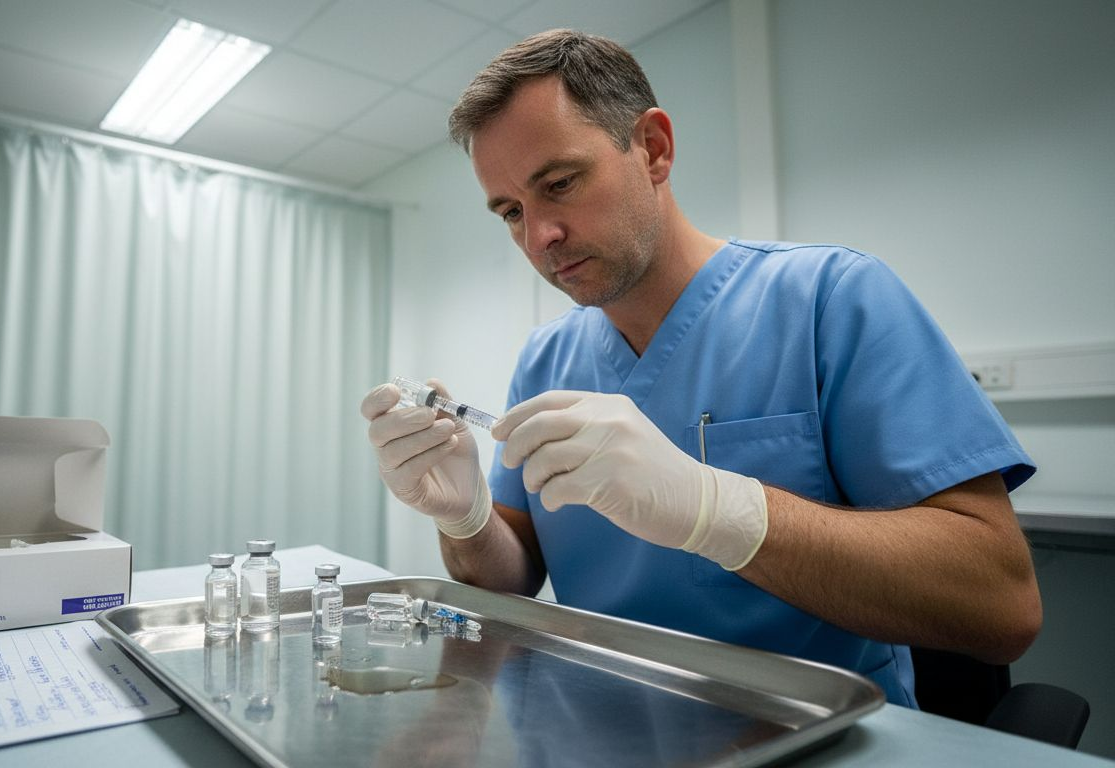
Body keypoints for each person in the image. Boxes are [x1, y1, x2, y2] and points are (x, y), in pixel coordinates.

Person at [359, 29, 1040, 707]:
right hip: (593, 737)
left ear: (653, 149)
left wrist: (720, 512)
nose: (539, 237)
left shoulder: (831, 298)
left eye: (560, 184)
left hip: (812, 735)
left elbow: (1001, 607)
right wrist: (466, 518)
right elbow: (513, 579)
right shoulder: (547, 357)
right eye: (511, 211)